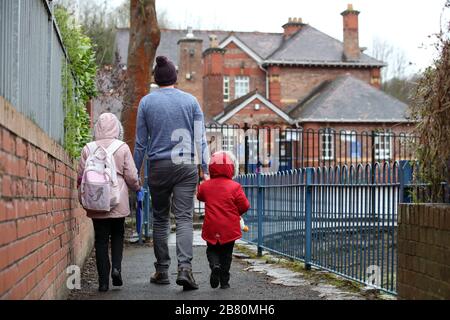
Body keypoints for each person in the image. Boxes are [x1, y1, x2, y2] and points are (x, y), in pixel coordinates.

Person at [134, 56, 209, 290]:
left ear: (156, 79)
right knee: (185, 217)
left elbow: (140, 143)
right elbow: (201, 139)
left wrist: (135, 171)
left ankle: (162, 270)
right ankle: (185, 269)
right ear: (175, 78)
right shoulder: (191, 102)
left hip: (158, 167)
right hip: (186, 166)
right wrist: (205, 168)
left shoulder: (146, 102)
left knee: (160, 218)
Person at [77, 113, 141, 292]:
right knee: (118, 234)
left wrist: (83, 197)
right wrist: (136, 188)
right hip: (117, 200)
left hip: (95, 200)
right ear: (117, 128)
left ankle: (103, 282)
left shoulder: (87, 148)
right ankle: (116, 268)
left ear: (97, 127)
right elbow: (131, 175)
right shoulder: (122, 147)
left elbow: (80, 177)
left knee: (101, 240)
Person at [197, 151, 250, 289]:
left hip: (211, 226)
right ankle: (224, 281)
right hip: (229, 228)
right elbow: (245, 205)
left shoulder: (206, 186)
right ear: (232, 168)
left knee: (212, 250)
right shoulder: (235, 187)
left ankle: (215, 265)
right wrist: (235, 213)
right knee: (227, 254)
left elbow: (199, 196)